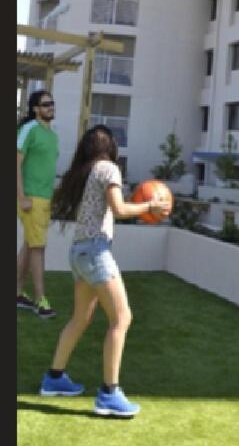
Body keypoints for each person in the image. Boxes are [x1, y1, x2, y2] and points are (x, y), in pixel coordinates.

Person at [39, 125, 171, 417]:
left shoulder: (85, 172)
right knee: (122, 318)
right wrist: (150, 205)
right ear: (110, 147)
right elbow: (120, 209)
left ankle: (54, 377)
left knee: (80, 319)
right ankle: (109, 394)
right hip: (95, 251)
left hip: (79, 252)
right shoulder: (109, 169)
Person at [17, 89, 59, 318]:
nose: (51, 107)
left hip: (45, 198)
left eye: (52, 103)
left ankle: (16, 292)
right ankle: (41, 300)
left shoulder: (52, 135)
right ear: (35, 109)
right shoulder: (29, 129)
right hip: (30, 199)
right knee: (38, 248)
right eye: (45, 104)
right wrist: (21, 196)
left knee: (30, 245)